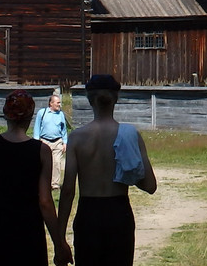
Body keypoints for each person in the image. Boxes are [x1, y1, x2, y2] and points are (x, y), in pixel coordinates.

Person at [0, 89, 72, 266]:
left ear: (5, 114)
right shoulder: (41, 151)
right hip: (28, 230)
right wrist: (59, 243)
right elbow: (45, 201)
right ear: (31, 116)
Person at [57, 74, 157, 266]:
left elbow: (68, 190)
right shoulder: (130, 134)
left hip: (88, 214)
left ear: (89, 99)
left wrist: (60, 239)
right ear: (116, 99)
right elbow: (150, 186)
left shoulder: (77, 138)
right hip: (119, 214)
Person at [33, 91, 69, 191]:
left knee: (57, 162)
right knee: (44, 163)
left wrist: (65, 142)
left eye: (60, 103)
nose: (59, 105)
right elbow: (36, 128)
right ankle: (43, 182)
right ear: (51, 103)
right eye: (57, 103)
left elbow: (64, 129)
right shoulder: (42, 113)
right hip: (44, 141)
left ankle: (55, 185)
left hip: (57, 141)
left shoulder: (61, 114)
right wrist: (37, 142)